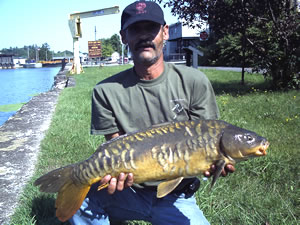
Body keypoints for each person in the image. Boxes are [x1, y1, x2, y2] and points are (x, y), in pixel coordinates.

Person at [70, 1, 234, 224]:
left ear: (165, 33)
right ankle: (79, 185)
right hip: (127, 191)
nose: (144, 36)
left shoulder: (195, 82)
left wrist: (214, 164)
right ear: (123, 37)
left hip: (177, 195)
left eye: (151, 29)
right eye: (136, 29)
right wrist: (114, 177)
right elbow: (116, 147)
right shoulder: (105, 91)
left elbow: (207, 139)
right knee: (80, 206)